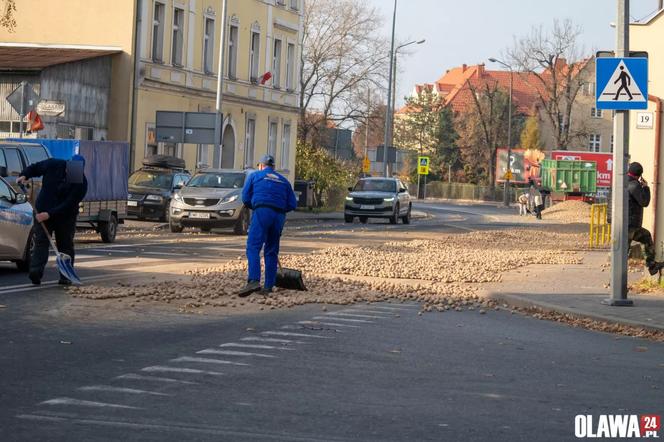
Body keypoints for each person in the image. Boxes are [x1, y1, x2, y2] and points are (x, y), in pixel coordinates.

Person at [17, 155, 88, 285]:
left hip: (65, 216)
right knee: (41, 242)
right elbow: (36, 168)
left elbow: (69, 203)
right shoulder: (53, 164)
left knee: (65, 245)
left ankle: (65, 276)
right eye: (70, 169)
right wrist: (25, 175)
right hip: (42, 209)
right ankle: (35, 272)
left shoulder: (81, 183)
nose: (71, 173)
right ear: (67, 164)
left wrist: (49, 214)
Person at [238, 154, 297, 297]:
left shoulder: (255, 176)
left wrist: (257, 206)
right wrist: (279, 211)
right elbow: (292, 204)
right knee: (271, 250)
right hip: (279, 216)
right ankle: (268, 286)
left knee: (253, 247)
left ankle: (253, 280)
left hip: (262, 211)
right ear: (274, 167)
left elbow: (245, 197)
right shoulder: (284, 181)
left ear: (261, 165)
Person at [627, 162, 664, 275]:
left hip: (623, 224)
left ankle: (652, 265)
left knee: (646, 236)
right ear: (639, 175)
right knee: (622, 253)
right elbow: (644, 202)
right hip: (630, 225)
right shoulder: (634, 185)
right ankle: (616, 282)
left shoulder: (622, 182)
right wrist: (646, 187)